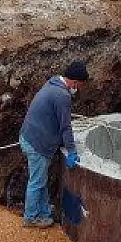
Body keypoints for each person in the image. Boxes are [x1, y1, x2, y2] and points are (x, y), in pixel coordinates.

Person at [19, 61, 89, 228]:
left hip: (30, 137)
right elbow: (65, 126)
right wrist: (71, 150)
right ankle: (31, 217)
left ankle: (43, 211)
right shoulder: (62, 95)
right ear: (75, 82)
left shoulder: (53, 83)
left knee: (41, 179)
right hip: (36, 144)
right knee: (37, 181)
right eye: (79, 85)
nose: (78, 89)